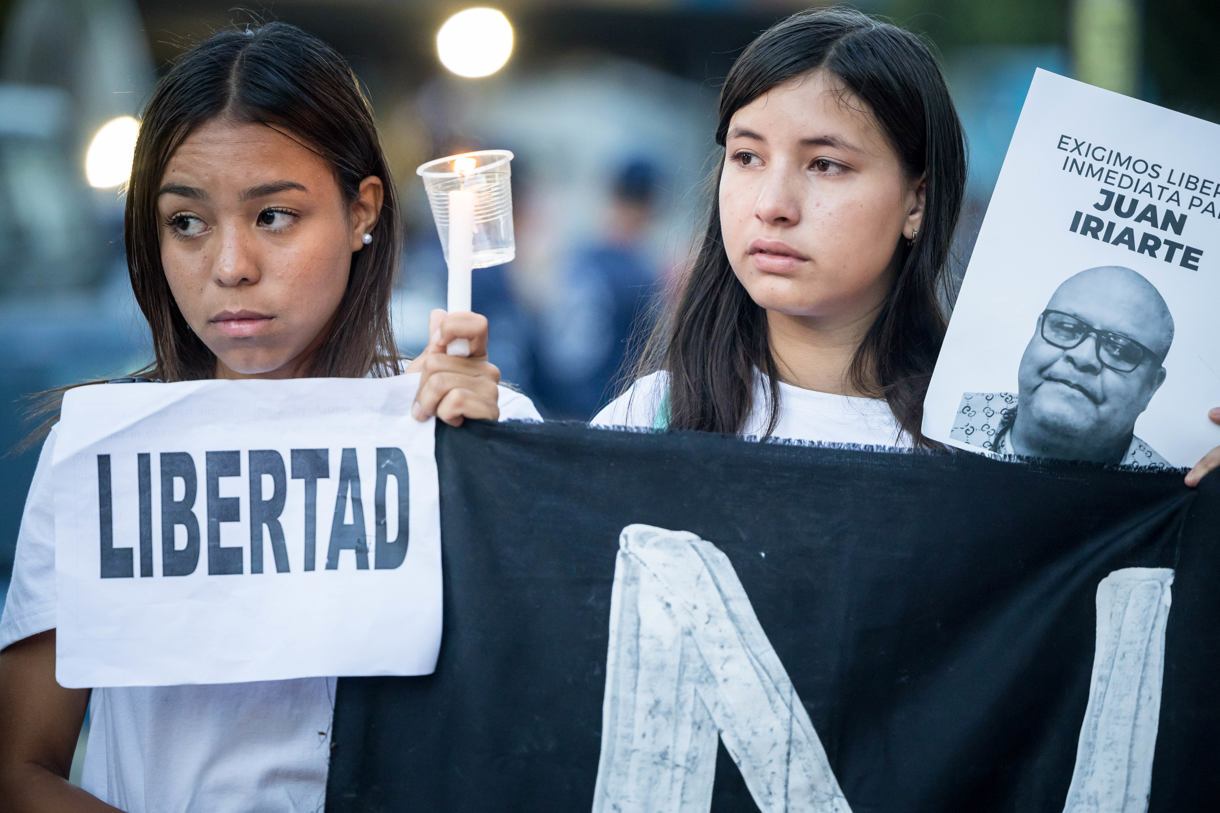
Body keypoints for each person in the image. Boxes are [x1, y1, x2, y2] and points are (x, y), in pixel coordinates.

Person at [0, 22, 537, 811]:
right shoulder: (100, 456)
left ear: (363, 211)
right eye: (187, 222)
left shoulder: (468, 427)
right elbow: (19, 764)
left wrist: (493, 475)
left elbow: (546, 723)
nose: (230, 266)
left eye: (274, 216)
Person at [590, 6, 1220, 489]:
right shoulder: (650, 422)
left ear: (917, 201)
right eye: (747, 156)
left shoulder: (995, 449)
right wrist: (489, 441)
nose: (772, 203)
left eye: (827, 165)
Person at [951, 265, 1174, 465]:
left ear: (1152, 386)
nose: (1083, 357)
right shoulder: (940, 415)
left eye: (1119, 349)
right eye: (1066, 327)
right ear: (1037, 330)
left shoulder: (1181, 495)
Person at [534, 156, 665, 419]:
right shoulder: (641, 276)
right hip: (603, 413)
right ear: (650, 207)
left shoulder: (577, 257)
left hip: (551, 404)